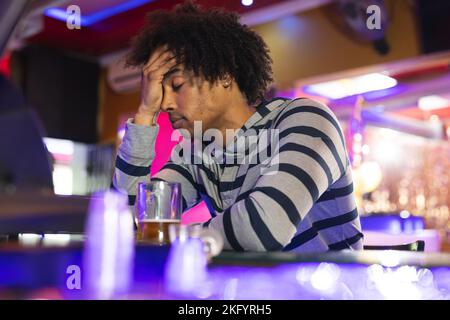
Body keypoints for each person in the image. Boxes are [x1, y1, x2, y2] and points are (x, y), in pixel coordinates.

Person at [113, 1, 363, 252]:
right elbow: (133, 219)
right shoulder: (198, 152)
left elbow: (263, 228)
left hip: (332, 290)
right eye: (160, 91)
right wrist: (145, 113)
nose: (165, 104)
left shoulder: (306, 119)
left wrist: (172, 237)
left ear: (224, 75)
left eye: (177, 85)